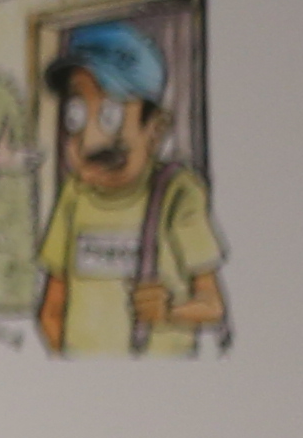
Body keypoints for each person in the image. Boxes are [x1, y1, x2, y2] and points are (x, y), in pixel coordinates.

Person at [30, 19, 226, 356]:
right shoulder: (74, 194)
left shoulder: (178, 192)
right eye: (75, 116)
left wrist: (171, 311)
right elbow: (52, 306)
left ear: (155, 129)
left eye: (111, 116)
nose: (89, 140)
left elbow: (212, 305)